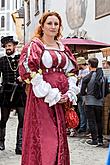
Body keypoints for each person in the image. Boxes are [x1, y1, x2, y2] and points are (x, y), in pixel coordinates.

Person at [19, 11, 79, 165]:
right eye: (49, 23)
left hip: (62, 99)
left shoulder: (63, 47)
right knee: (48, 139)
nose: (53, 27)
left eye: (56, 24)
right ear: (42, 26)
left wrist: (70, 91)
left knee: (60, 138)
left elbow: (72, 71)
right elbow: (28, 70)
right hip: (43, 99)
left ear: (59, 27)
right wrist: (52, 94)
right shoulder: (35, 46)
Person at [0, 36, 26, 154]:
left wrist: (24, 78)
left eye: (9, 45)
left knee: (22, 118)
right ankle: (1, 141)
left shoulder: (21, 59)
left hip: (19, 91)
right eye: (6, 46)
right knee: (4, 118)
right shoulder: (1, 60)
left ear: (14, 46)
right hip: (6, 91)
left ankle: (19, 145)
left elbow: (28, 72)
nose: (8, 48)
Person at [81, 57, 105, 146]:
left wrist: (87, 95)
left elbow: (82, 92)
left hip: (89, 102)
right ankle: (100, 139)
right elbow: (106, 90)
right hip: (100, 102)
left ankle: (94, 140)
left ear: (90, 65)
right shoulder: (103, 76)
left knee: (91, 121)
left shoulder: (87, 77)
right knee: (99, 121)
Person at [77, 57, 89, 134]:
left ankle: (87, 128)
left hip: (85, 93)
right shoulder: (79, 71)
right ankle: (82, 127)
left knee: (86, 110)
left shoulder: (87, 71)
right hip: (79, 92)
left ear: (81, 64)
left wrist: (83, 77)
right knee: (81, 111)